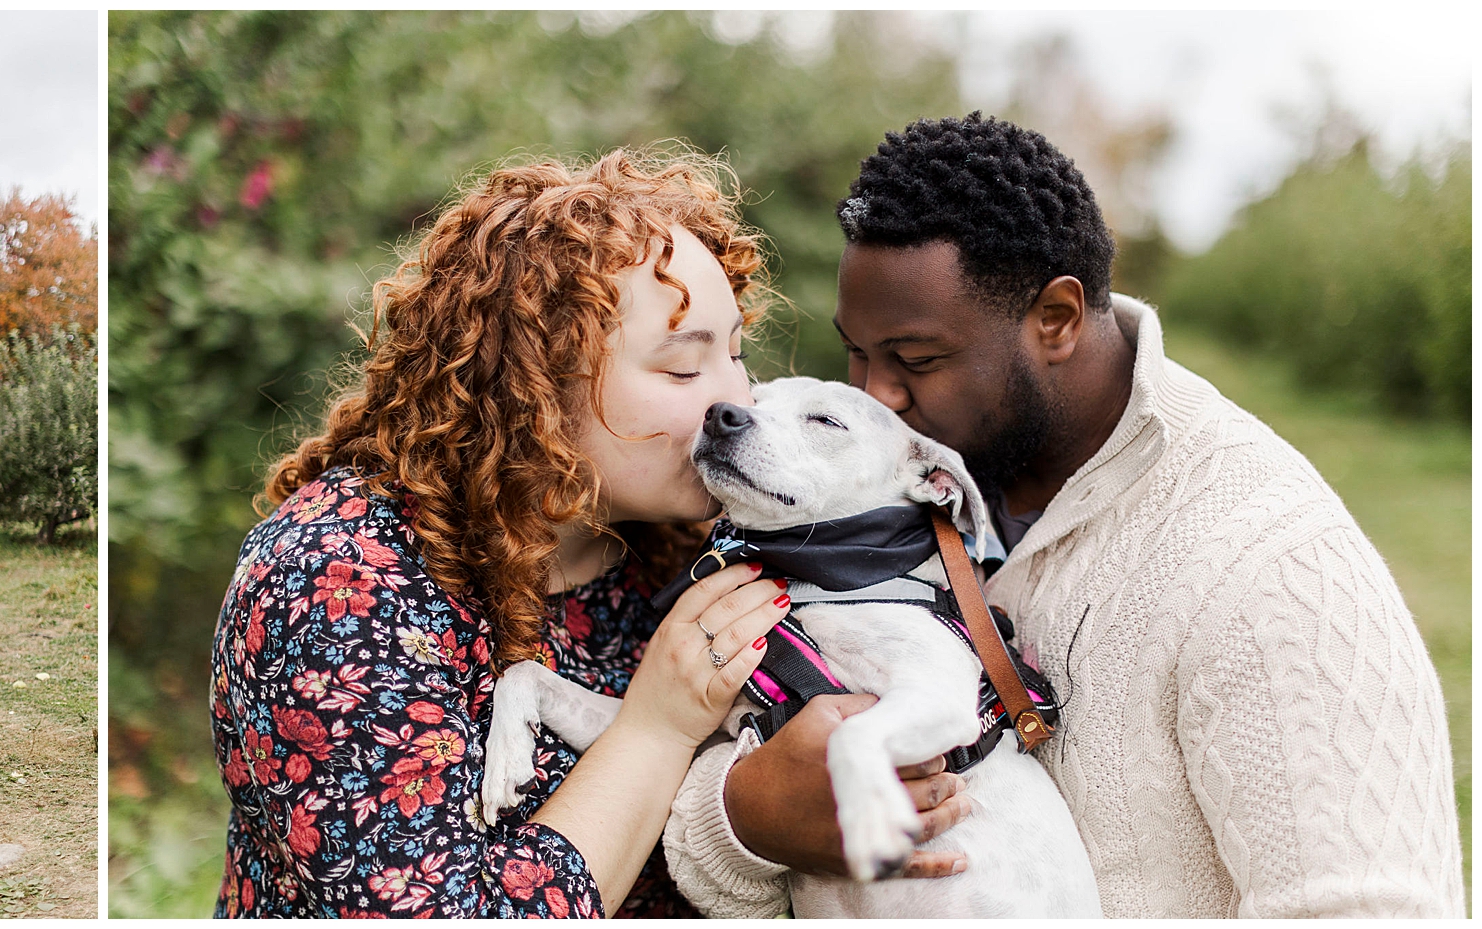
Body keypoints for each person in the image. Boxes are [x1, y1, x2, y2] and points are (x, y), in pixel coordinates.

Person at [663, 113, 1463, 917]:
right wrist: (743, 819)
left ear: (1057, 319)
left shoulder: (1271, 568)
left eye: (916, 359)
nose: (877, 397)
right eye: (858, 352)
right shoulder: (871, 496)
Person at [208, 149, 969, 918]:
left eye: (736, 355)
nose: (736, 399)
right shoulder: (337, 580)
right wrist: (658, 731)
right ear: (533, 387)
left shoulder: (690, 553)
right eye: (682, 369)